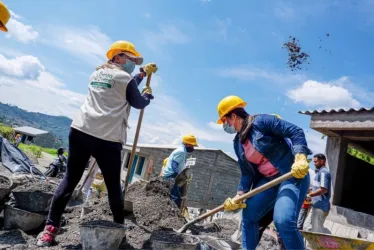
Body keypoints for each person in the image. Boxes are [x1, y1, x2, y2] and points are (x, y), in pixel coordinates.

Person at [37, 40, 158, 247]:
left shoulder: (97, 73)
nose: (131, 63)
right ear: (118, 57)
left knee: (69, 180)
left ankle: (49, 231)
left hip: (81, 130)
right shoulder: (124, 78)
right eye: (129, 59)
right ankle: (119, 230)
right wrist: (147, 96)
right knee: (113, 187)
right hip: (107, 139)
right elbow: (136, 101)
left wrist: (140, 75)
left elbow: (121, 87)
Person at [217, 95, 311, 249]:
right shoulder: (238, 143)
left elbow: (295, 131)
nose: (225, 125)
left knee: (283, 221)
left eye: (225, 121)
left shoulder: (261, 122)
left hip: (291, 174)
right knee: (249, 216)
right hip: (269, 182)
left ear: (233, 116)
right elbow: (247, 173)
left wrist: (300, 156)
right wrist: (239, 195)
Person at [161, 134, 198, 208]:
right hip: (172, 176)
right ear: (187, 144)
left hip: (172, 175)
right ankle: (173, 214)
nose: (193, 147)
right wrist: (180, 175)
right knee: (175, 198)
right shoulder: (181, 151)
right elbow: (174, 164)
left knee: (177, 196)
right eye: (192, 145)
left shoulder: (181, 150)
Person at [304, 153, 331, 233]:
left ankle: (327, 237)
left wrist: (310, 195)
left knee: (314, 231)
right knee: (307, 227)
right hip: (316, 206)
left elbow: (323, 189)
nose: (314, 163)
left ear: (322, 161)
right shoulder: (319, 172)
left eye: (316, 162)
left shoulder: (323, 172)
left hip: (320, 207)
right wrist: (311, 189)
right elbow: (318, 187)